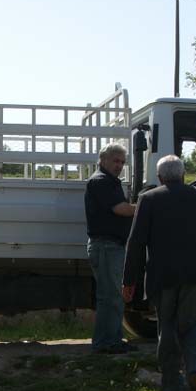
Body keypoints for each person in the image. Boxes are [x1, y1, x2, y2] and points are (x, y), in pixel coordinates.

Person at [123, 155, 196, 391]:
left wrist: (129, 281)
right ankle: (195, 369)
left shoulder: (149, 199)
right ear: (183, 175)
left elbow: (135, 243)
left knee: (167, 327)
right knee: (195, 326)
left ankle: (172, 384)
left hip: (163, 276)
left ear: (160, 177)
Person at [85, 143, 136, 354]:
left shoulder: (108, 181)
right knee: (110, 297)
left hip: (109, 246)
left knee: (112, 296)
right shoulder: (101, 181)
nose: (119, 166)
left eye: (122, 162)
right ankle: (106, 343)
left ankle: (113, 340)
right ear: (103, 159)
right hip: (106, 246)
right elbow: (121, 209)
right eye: (116, 161)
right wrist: (147, 205)